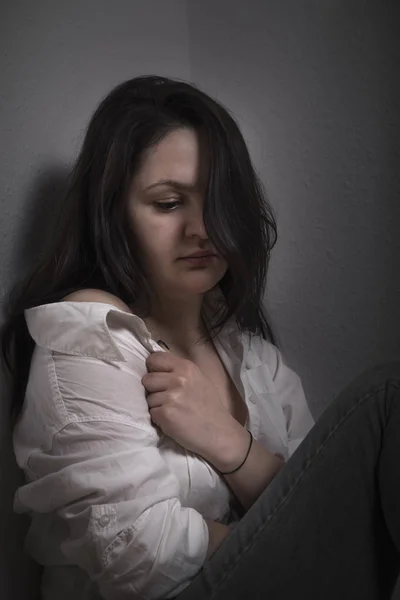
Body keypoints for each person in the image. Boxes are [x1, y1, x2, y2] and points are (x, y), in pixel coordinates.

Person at [0, 75, 399, 600]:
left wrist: (230, 443)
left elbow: (319, 509)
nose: (202, 227)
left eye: (217, 199)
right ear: (113, 215)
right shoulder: (90, 337)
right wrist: (298, 551)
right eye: (168, 204)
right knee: (387, 398)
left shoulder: (254, 357)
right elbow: (134, 554)